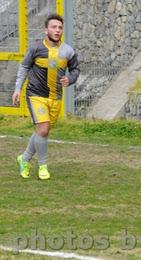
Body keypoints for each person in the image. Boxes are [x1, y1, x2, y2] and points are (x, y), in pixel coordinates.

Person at [12, 14, 80, 180]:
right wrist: (17, 89)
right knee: (42, 129)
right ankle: (43, 166)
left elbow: (75, 70)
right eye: (54, 27)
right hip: (35, 94)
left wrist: (69, 79)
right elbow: (24, 67)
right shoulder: (35, 48)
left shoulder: (68, 51)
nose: (57, 30)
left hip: (55, 97)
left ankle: (25, 158)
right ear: (46, 30)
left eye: (60, 28)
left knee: (43, 131)